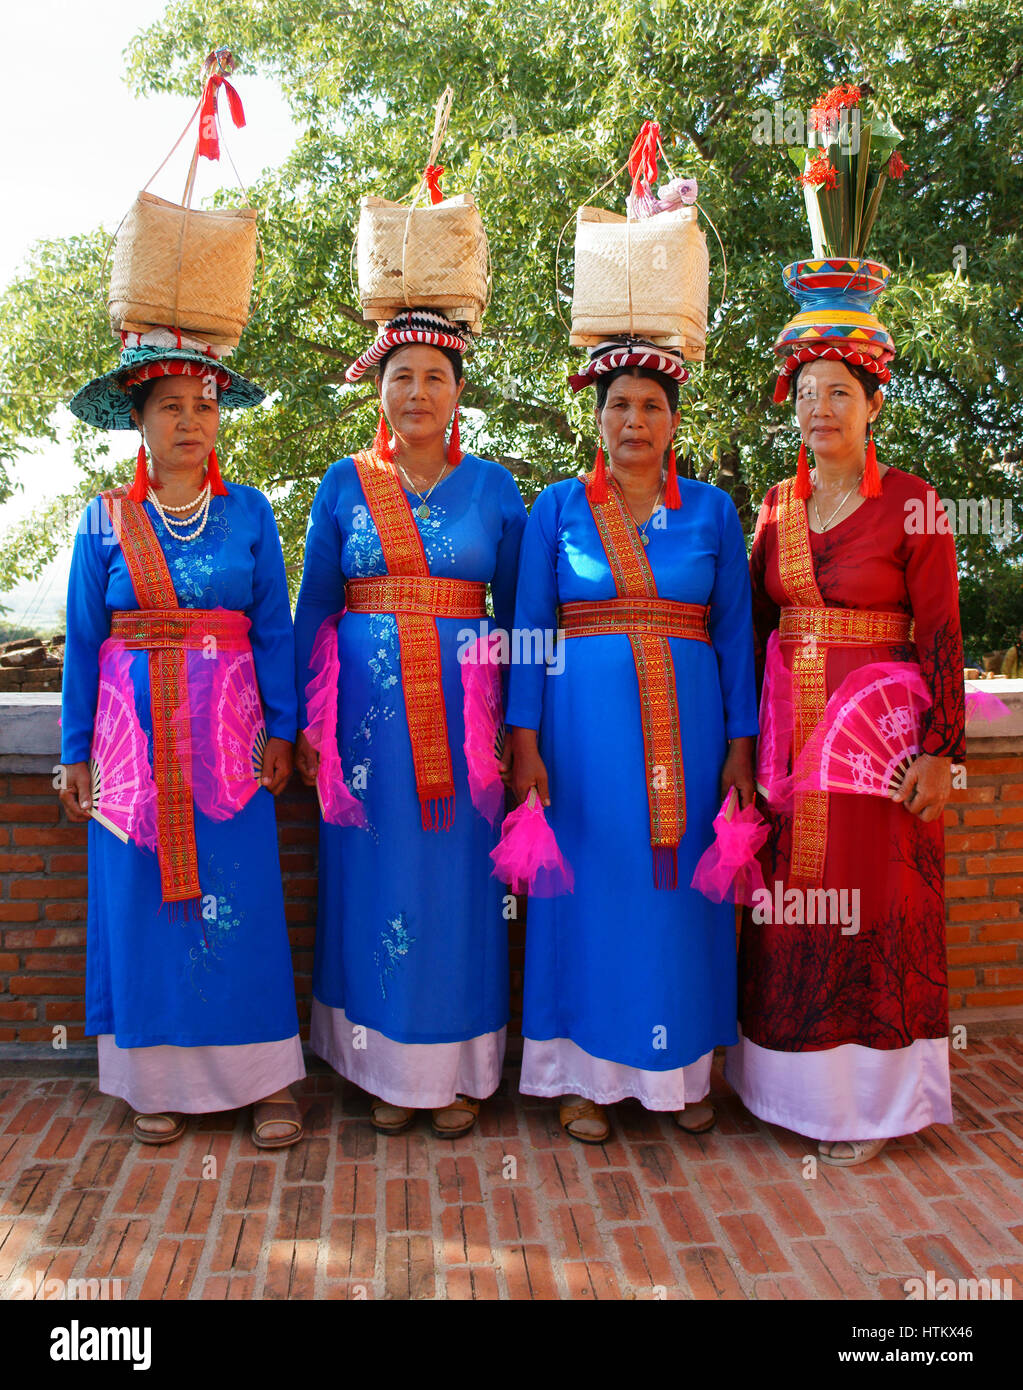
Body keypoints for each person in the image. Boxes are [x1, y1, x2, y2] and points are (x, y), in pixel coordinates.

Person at [504, 339, 758, 1143]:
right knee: (588, 897)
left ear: (674, 422)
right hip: (580, 749)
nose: (634, 419)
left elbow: (736, 636)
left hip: (688, 742)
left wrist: (741, 746)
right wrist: (523, 739)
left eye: (651, 406)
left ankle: (679, 1073)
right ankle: (583, 1081)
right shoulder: (557, 508)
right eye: (619, 404)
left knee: (679, 900)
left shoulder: (712, 511)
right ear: (597, 417)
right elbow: (528, 631)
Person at [59, 334, 304, 1148]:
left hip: (229, 746)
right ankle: (151, 1082)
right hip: (131, 752)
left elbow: (274, 627)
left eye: (204, 405)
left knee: (241, 906)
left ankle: (265, 1081)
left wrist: (283, 726)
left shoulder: (251, 512)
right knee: (145, 909)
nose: (191, 421)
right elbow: (85, 639)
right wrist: (72, 752)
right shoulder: (104, 519)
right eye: (171, 406)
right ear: (139, 420)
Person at [725, 348, 966, 1166]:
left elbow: (938, 630)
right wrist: (743, 747)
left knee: (874, 908)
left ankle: (870, 1109)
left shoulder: (915, 504)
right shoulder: (773, 508)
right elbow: (753, 631)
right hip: (790, 750)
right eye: (804, 395)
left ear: (871, 407)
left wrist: (940, 751)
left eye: (838, 394)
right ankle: (783, 1092)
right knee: (789, 910)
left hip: (883, 751)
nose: (819, 408)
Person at [293, 309, 527, 1137]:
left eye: (435, 376)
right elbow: (316, 602)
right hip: (363, 730)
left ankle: (454, 1070)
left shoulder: (495, 488)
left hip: (468, 729)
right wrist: (298, 719)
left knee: (462, 885)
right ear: (379, 392)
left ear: (459, 392)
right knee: (373, 875)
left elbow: (523, 614)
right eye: (402, 377)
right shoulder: (341, 483)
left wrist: (522, 722)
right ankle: (380, 1069)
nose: (418, 392)